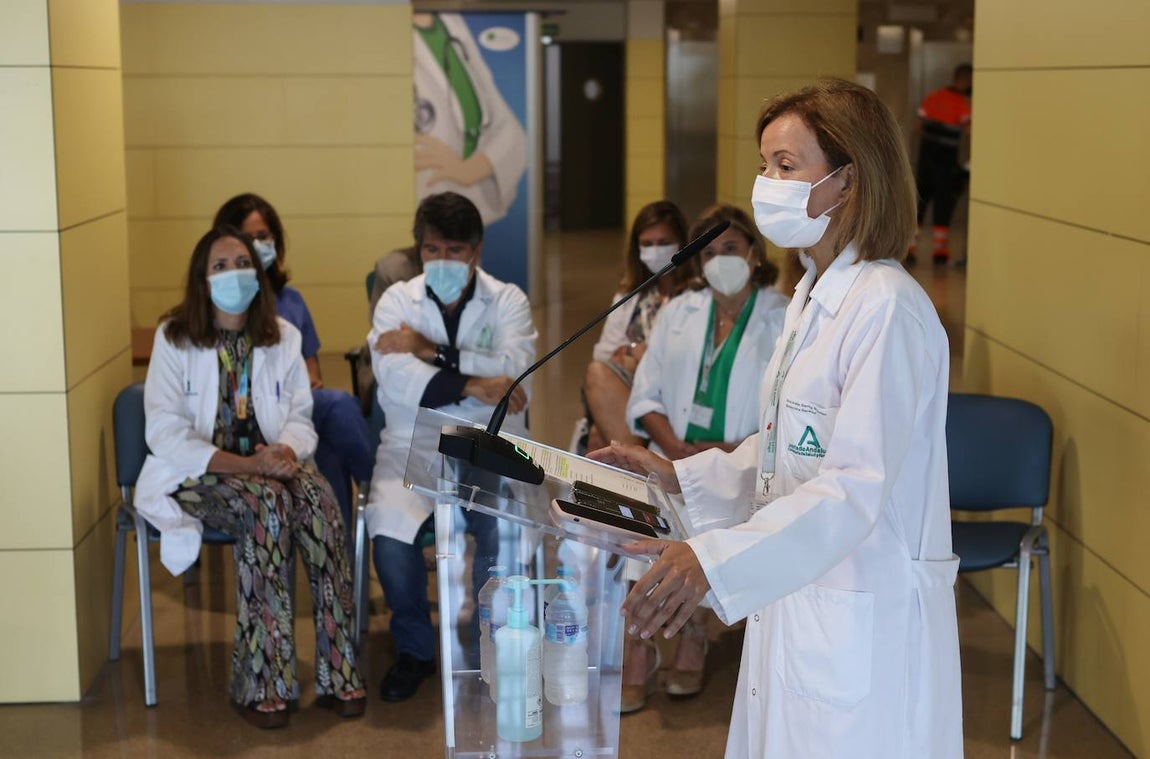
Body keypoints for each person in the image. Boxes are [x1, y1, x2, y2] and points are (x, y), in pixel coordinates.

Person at [591, 79, 962, 757]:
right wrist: (676, 474)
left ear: (849, 180)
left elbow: (852, 487)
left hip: (860, 619)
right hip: (800, 597)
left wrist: (711, 558)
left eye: (786, 166)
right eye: (765, 165)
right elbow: (785, 452)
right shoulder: (808, 298)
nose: (768, 183)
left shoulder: (887, 308)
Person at [134, 226, 365, 728]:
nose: (233, 274)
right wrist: (247, 466)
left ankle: (339, 669)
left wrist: (286, 449)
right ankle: (263, 680)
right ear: (202, 279)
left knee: (322, 502)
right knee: (267, 506)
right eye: (220, 266)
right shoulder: (174, 337)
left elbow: (301, 417)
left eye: (242, 263)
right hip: (199, 472)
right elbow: (164, 431)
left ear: (258, 276)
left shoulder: (284, 337)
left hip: (271, 466)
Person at [616, 204, 788, 711]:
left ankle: (692, 632)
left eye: (730, 249)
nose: (719, 261)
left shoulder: (782, 317)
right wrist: (672, 449)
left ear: (755, 255)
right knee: (637, 523)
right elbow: (644, 397)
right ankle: (638, 644)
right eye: (709, 253)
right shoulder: (678, 313)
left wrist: (718, 457)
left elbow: (785, 409)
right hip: (670, 451)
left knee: (699, 517)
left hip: (745, 465)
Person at [366, 191, 537, 702]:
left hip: (491, 436)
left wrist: (428, 350)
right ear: (419, 250)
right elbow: (396, 380)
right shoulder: (397, 301)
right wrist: (470, 382)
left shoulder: (508, 300)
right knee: (393, 539)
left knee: (503, 530)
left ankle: (499, 646)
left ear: (476, 252)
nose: (441, 261)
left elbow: (515, 376)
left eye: (454, 251)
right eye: (432, 250)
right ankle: (416, 649)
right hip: (414, 436)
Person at [213, 194, 374, 533]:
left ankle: (342, 560)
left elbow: (312, 372)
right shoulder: (225, 302)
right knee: (340, 404)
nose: (259, 245)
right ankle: (377, 492)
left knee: (329, 449)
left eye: (264, 236)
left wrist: (304, 382)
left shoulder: (291, 301)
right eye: (249, 237)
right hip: (248, 416)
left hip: (296, 409)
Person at [582, 200, 693, 452]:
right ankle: (632, 466)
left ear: (683, 244)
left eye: (664, 243)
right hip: (629, 393)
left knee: (607, 437)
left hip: (673, 399)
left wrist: (643, 356)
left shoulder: (697, 295)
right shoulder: (632, 294)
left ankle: (633, 466)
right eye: (647, 245)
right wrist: (634, 351)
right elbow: (603, 353)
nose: (656, 251)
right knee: (597, 376)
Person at [413, 12, 527, 225]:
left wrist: (474, 167)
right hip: (423, 200)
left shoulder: (452, 24)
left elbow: (511, 129)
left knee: (463, 253)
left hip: (470, 201)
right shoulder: (384, 29)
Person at [909, 63, 972, 266]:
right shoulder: (961, 103)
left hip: (925, 161)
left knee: (920, 205)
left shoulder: (932, 98)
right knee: (943, 207)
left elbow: (918, 127)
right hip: (946, 165)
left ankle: (910, 248)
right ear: (965, 79)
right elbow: (970, 130)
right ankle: (940, 252)